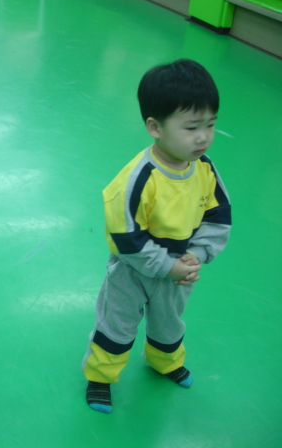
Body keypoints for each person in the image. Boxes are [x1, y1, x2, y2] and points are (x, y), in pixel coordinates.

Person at [81, 59, 231, 414]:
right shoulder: (137, 178)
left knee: (169, 324)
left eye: (210, 124)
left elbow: (218, 216)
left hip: (180, 269)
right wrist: (166, 266)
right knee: (116, 326)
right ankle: (100, 376)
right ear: (155, 127)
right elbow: (125, 238)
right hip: (132, 271)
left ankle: (164, 361)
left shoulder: (205, 169)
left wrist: (197, 254)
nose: (203, 136)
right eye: (191, 127)